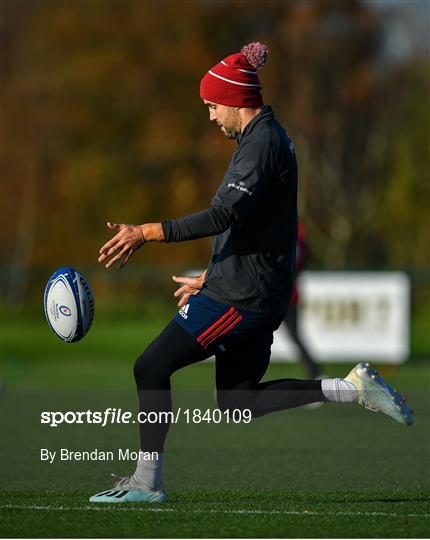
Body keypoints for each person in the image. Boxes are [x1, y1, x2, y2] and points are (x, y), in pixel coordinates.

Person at [90, 43, 413, 504]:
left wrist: (145, 231)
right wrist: (210, 274)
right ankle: (350, 388)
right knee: (237, 402)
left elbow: (221, 216)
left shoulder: (262, 143)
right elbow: (247, 222)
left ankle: (146, 482)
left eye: (211, 106)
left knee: (151, 366)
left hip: (241, 298)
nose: (209, 117)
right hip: (248, 289)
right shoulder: (263, 137)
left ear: (233, 99)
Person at [283, 221, 323, 379]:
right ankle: (317, 373)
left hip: (281, 297)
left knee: (252, 335)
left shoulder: (294, 242)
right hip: (288, 296)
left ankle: (317, 374)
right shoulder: (301, 244)